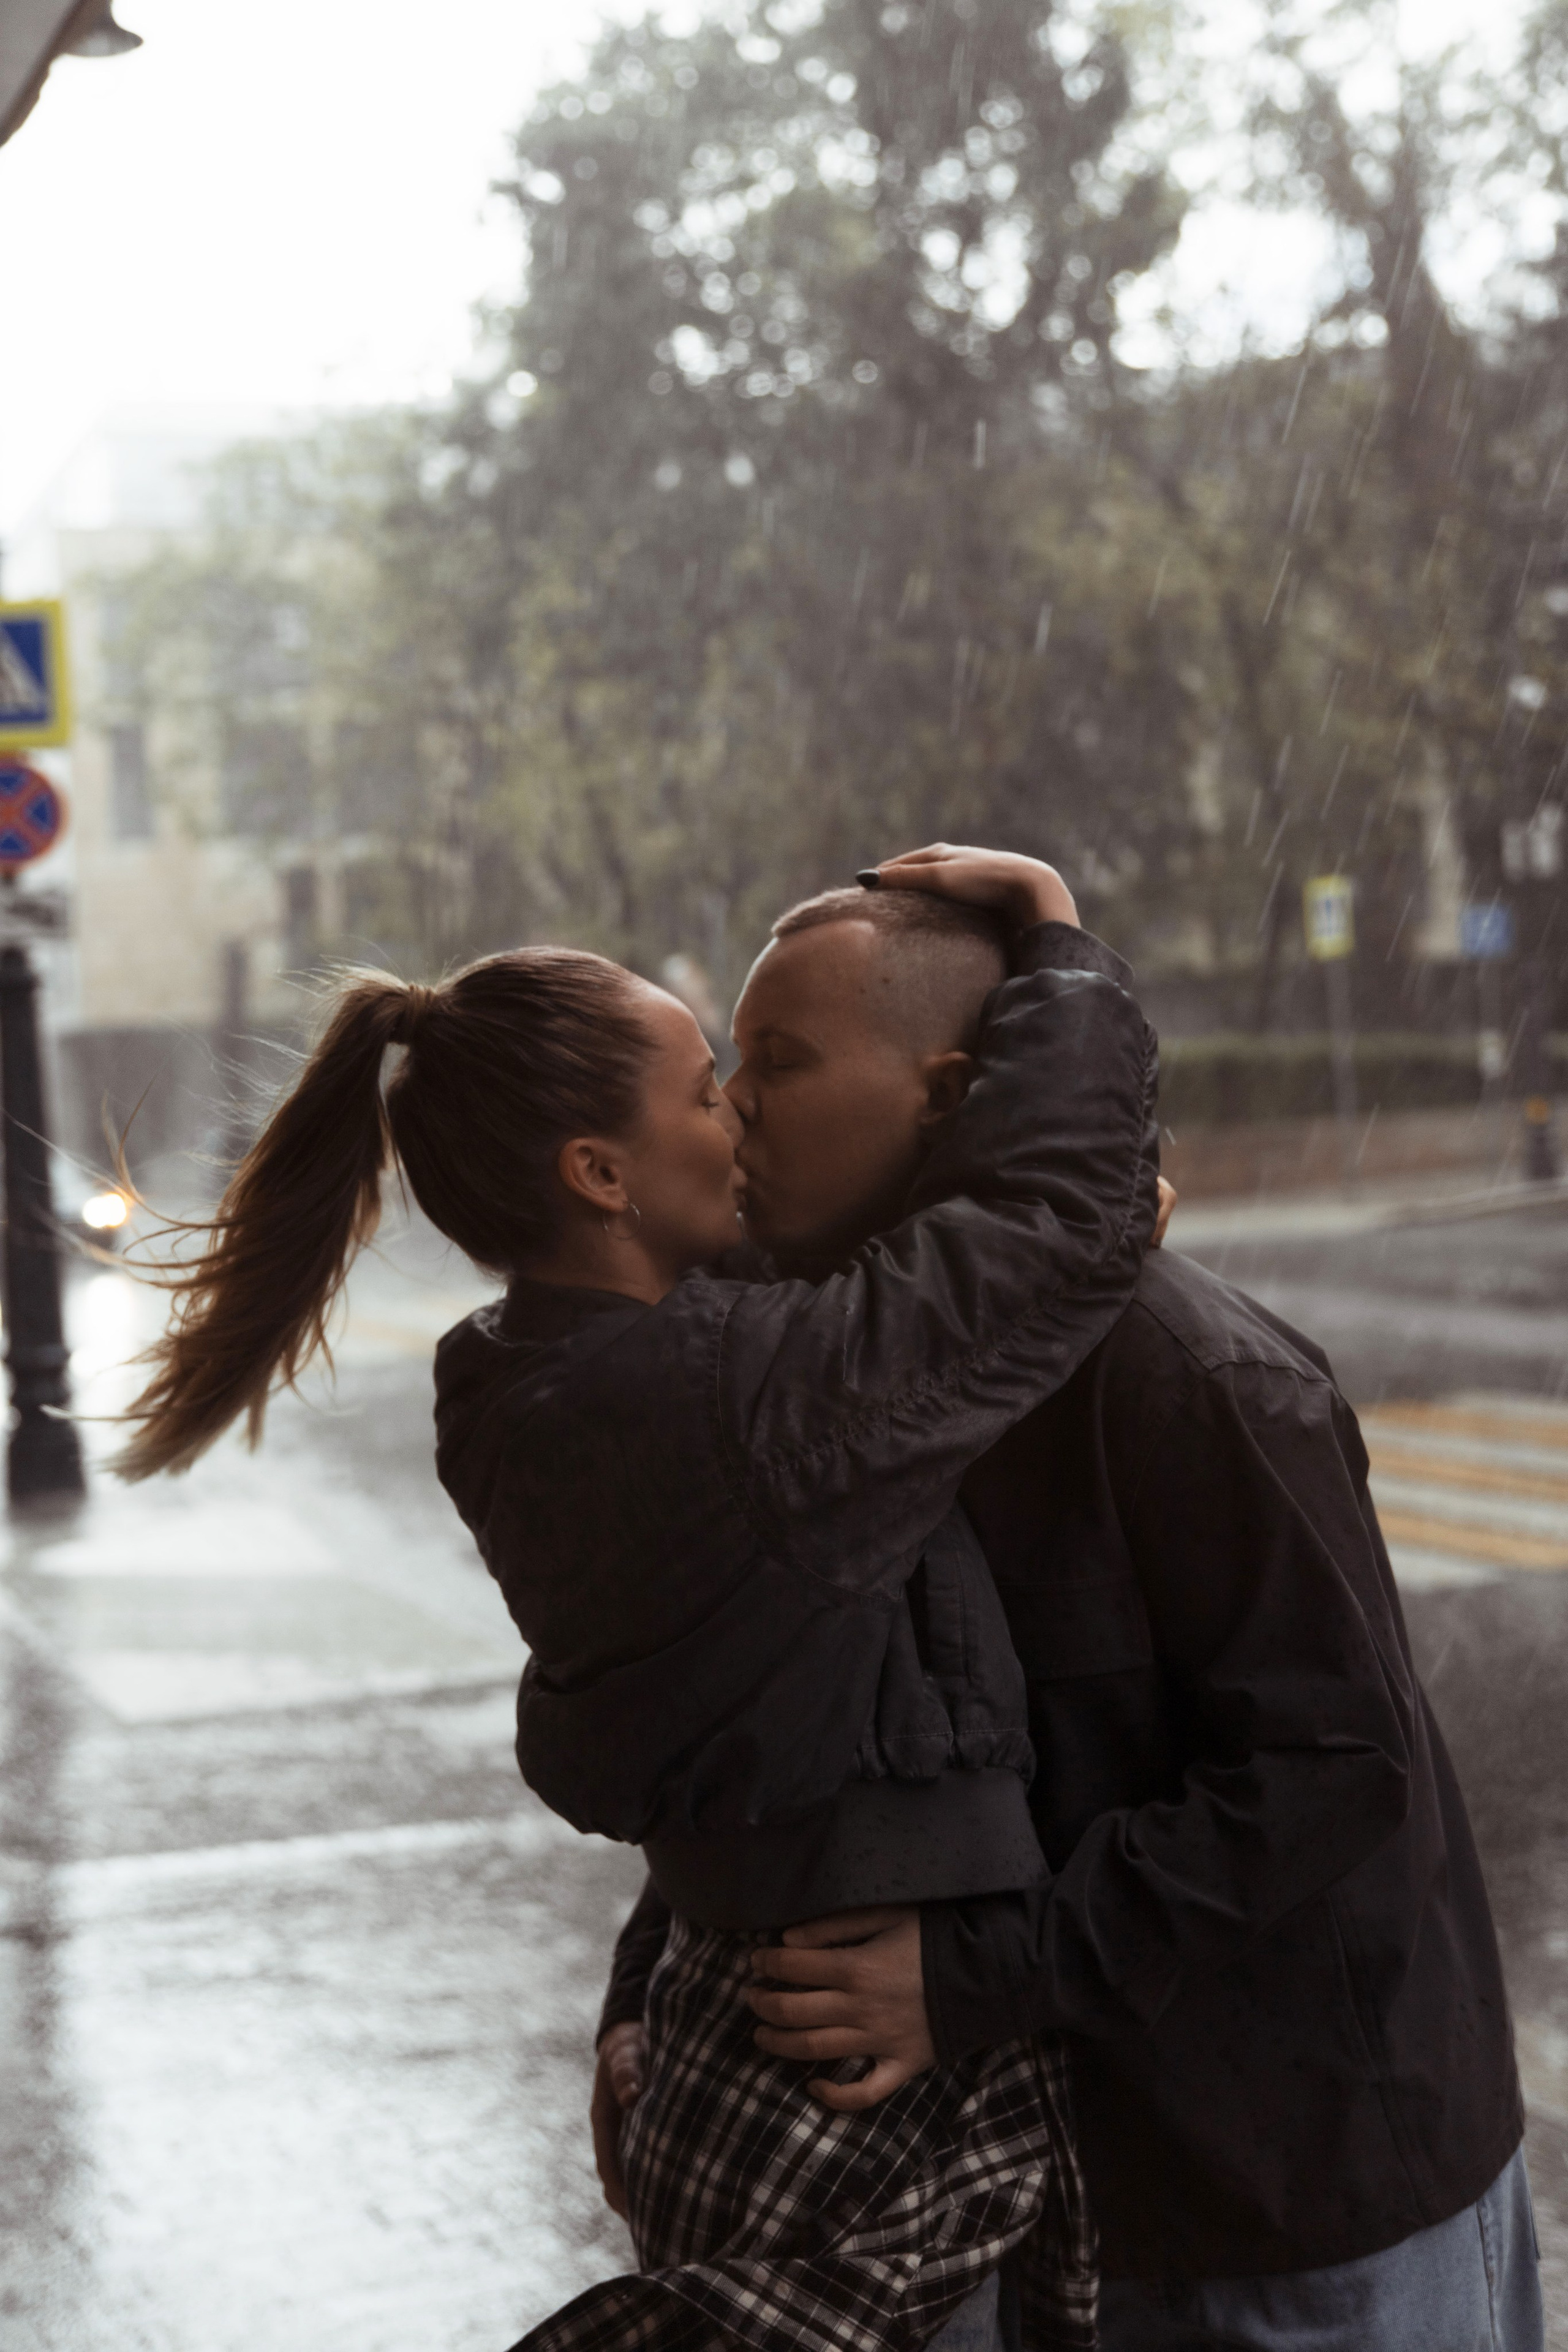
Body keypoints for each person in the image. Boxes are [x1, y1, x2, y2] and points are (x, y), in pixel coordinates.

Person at [116, 848, 1160, 2352]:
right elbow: (1048, 1236)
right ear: (599, 1175)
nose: (733, 1110)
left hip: (730, 2045)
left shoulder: (526, 1378)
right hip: (847, 2086)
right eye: (699, 1089)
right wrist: (1057, 939)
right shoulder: (728, 1406)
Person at [596, 849, 1544, 2352]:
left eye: (778, 1062)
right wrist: (649, 1985)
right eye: (727, 1068)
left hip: (1298, 2211)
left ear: (956, 1095)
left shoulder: (1191, 1379)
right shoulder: (824, 1392)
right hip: (1053, 2208)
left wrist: (969, 1977)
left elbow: (1326, 1775)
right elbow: (786, 1742)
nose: (734, 1109)